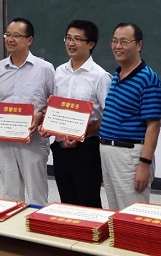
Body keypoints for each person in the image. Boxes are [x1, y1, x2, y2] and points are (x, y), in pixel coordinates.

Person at [41, 20, 111, 208]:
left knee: (88, 203)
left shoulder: (100, 76)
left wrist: (83, 132)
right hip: (60, 148)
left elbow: (108, 115)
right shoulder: (59, 72)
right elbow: (54, 107)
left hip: (86, 150)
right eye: (68, 38)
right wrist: (48, 124)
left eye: (78, 39)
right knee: (67, 204)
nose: (71, 43)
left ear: (91, 44)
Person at [0, 18, 54, 205]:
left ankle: (36, 223)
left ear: (29, 40)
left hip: (33, 141)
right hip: (5, 141)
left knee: (37, 194)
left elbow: (54, 103)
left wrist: (40, 116)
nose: (10, 39)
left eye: (16, 35)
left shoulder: (44, 69)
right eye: (8, 35)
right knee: (11, 195)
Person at [98, 22, 161, 210]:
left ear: (139, 45)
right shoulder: (117, 74)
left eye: (124, 41)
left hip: (129, 156)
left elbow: (154, 125)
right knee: (115, 213)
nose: (117, 46)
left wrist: (144, 164)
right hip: (108, 153)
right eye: (114, 41)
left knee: (133, 214)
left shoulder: (148, 78)